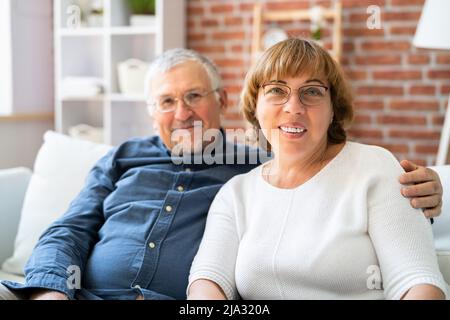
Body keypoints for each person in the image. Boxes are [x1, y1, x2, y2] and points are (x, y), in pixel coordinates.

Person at [0, 48, 444, 300]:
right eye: (167, 101)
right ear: (151, 110)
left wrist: (430, 196)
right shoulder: (121, 159)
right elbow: (68, 231)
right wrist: (52, 291)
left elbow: (314, 178)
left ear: (224, 100)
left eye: (195, 95)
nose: (183, 112)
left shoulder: (253, 167)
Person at [187, 39, 447, 300]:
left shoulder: (376, 168)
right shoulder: (236, 193)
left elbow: (418, 283)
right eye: (277, 90)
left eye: (311, 92)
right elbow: (207, 282)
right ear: (256, 105)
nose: (293, 107)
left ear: (333, 108)